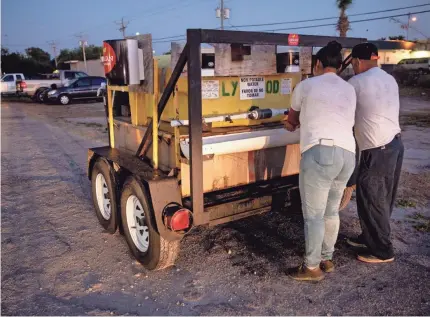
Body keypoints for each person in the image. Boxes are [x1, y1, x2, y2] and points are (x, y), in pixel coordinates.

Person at [285, 41, 356, 281]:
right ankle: (326, 258)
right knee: (331, 211)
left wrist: (289, 123)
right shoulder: (349, 89)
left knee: (313, 215)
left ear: (317, 64)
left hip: (320, 153)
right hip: (348, 154)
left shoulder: (306, 85)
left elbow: (292, 120)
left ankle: (311, 268)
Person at [347, 43, 403, 263]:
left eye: (352, 63)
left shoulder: (356, 82)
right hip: (395, 144)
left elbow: (343, 111)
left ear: (357, 61)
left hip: (377, 148)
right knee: (383, 196)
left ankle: (382, 250)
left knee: (372, 197)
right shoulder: (389, 78)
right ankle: (369, 237)